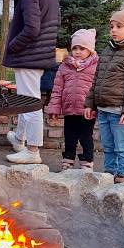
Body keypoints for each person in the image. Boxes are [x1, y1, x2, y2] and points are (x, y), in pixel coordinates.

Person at [3, 0, 60, 165]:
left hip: (28, 54)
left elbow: (32, 28)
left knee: (30, 102)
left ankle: (33, 151)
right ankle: (20, 139)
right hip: (39, 53)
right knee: (26, 97)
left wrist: (13, 45)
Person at [84, 8, 124, 184]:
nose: (114, 30)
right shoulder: (107, 51)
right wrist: (90, 104)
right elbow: (96, 80)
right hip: (103, 110)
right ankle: (109, 173)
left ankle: (123, 175)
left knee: (121, 145)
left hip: (119, 112)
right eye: (112, 26)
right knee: (108, 145)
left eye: (119, 26)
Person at [46, 29, 98, 170]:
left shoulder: (95, 67)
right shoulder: (65, 66)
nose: (78, 51)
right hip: (69, 110)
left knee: (86, 137)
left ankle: (87, 162)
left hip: (87, 111)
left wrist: (94, 106)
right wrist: (54, 108)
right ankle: (67, 161)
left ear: (90, 50)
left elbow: (97, 89)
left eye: (82, 48)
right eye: (75, 48)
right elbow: (57, 89)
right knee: (69, 137)